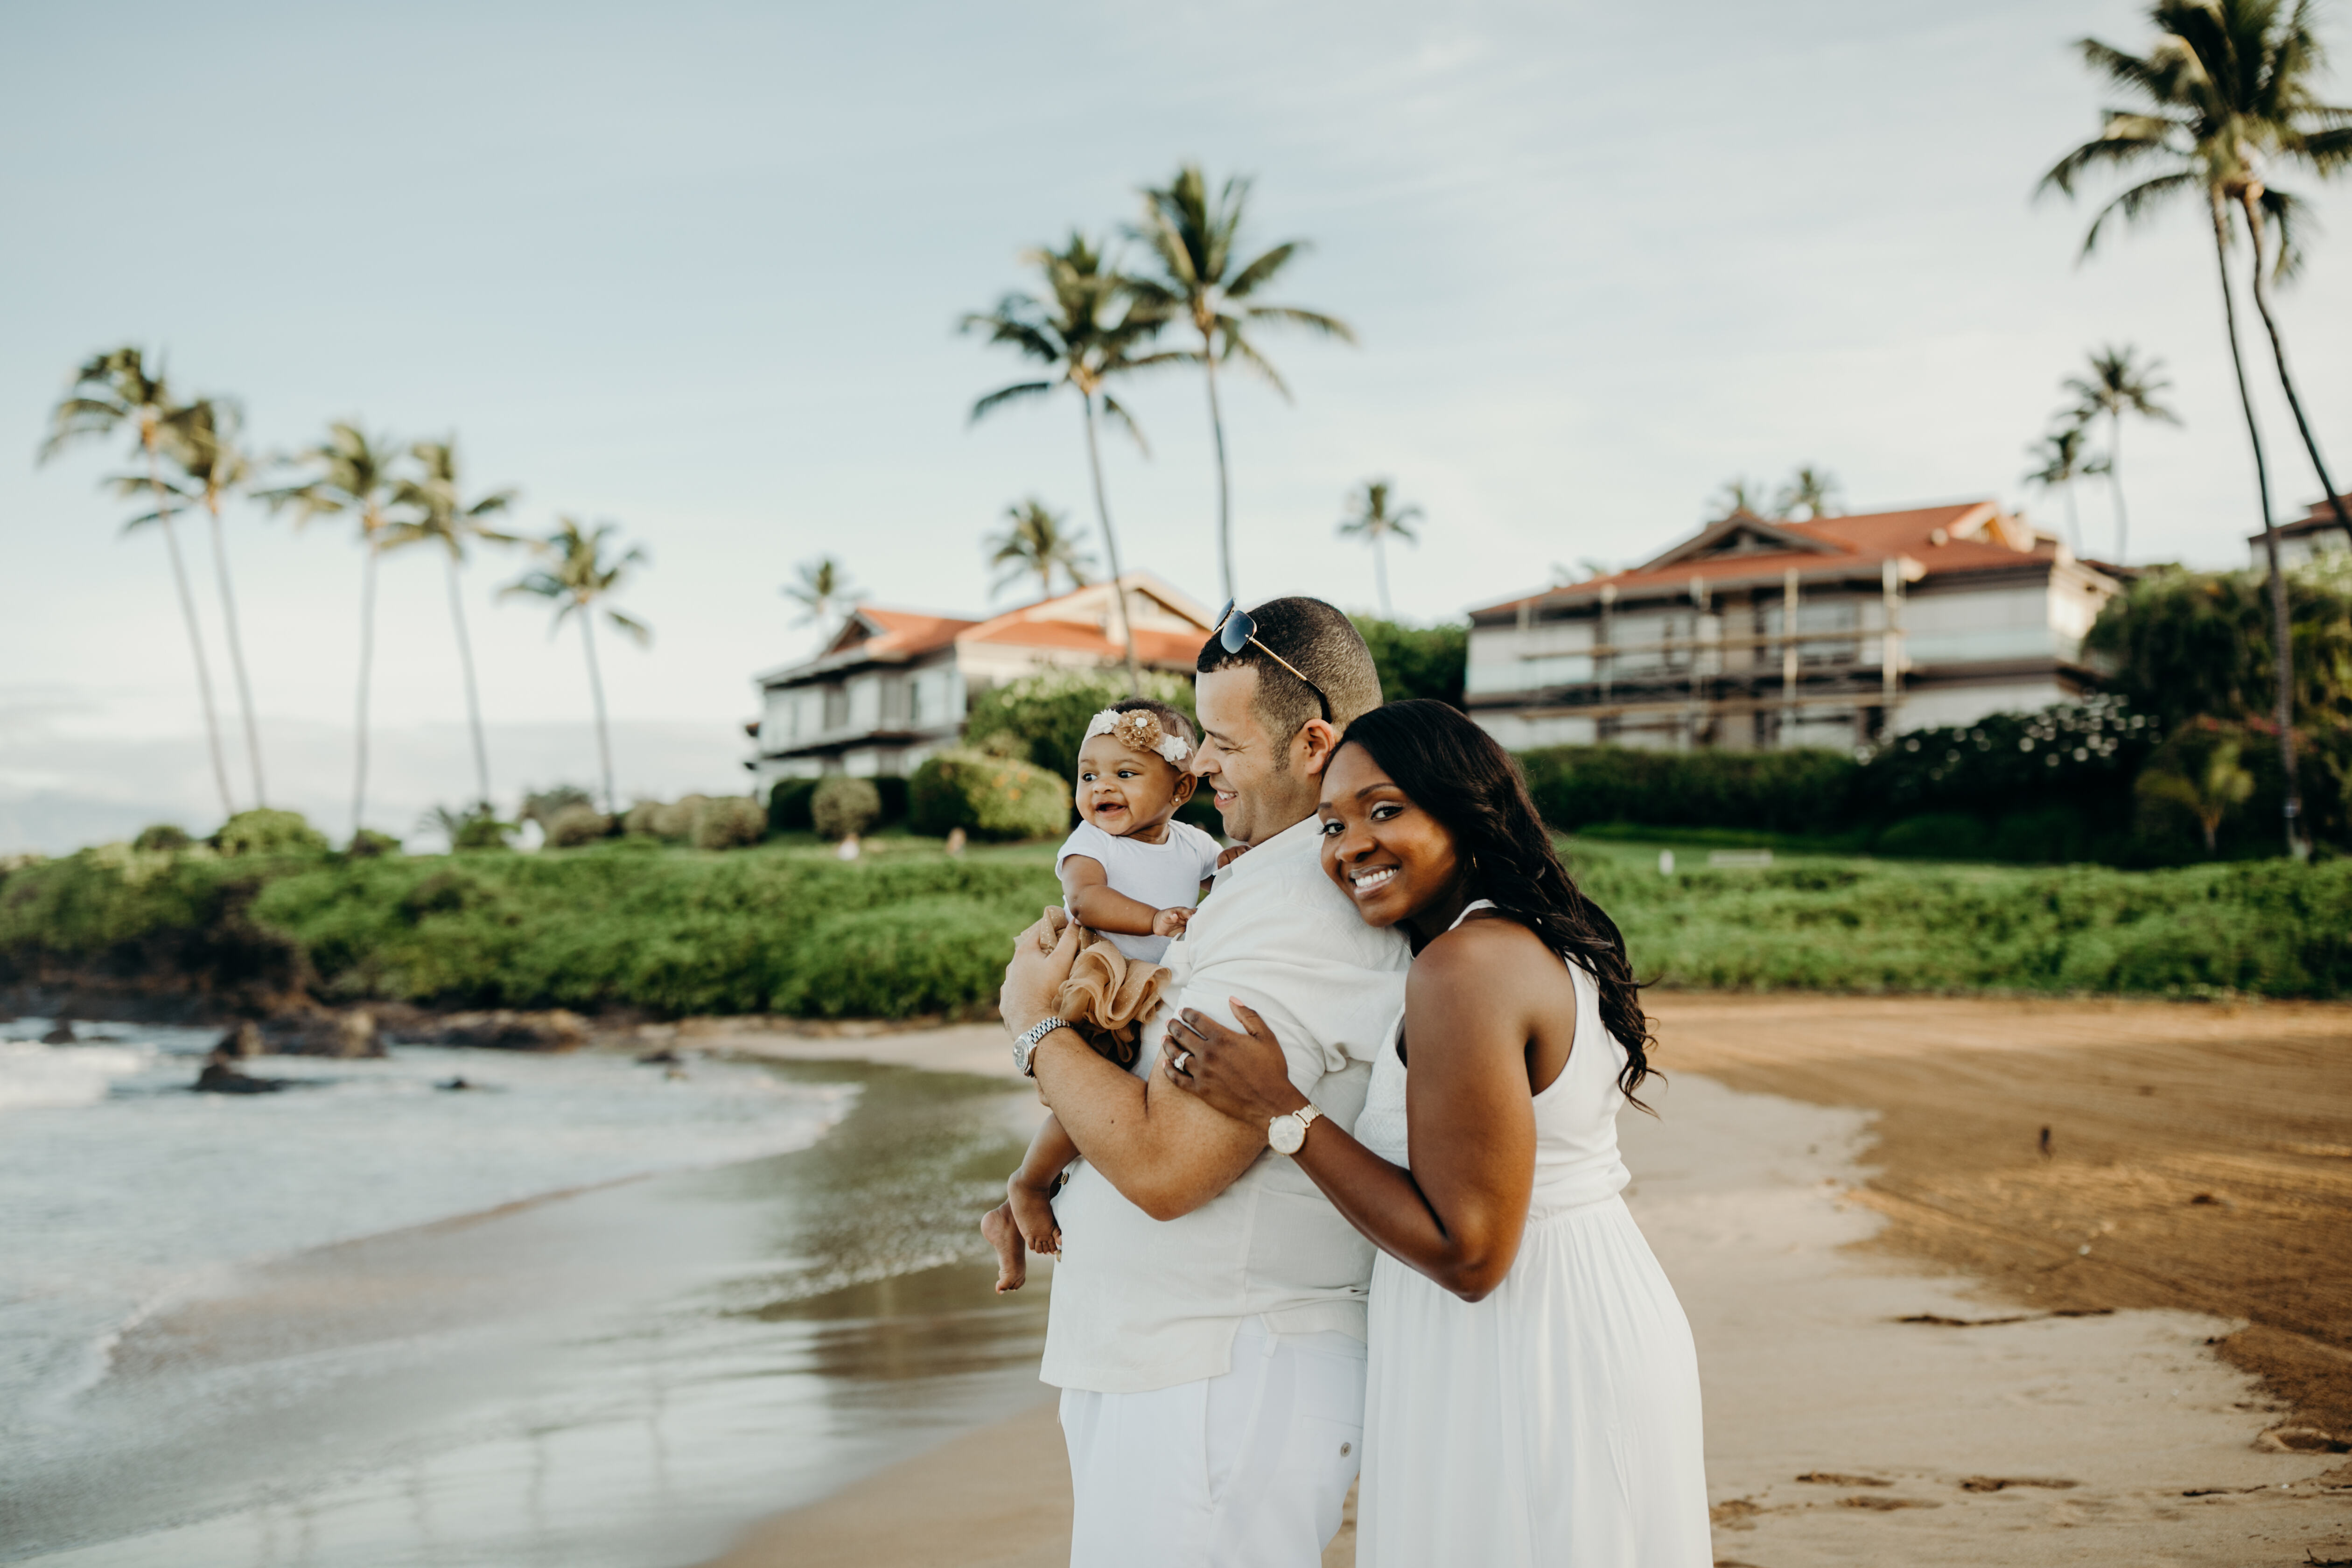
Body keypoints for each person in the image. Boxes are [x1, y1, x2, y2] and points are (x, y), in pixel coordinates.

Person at [1160, 699, 1712, 1567]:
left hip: (1525, 1343)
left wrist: (1279, 1110)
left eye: (1385, 810)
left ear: (1465, 810)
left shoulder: (1466, 967)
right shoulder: (1519, 940)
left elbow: (1471, 1254)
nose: (1351, 847)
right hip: (1572, 1309)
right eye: (1332, 826)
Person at [994, 598, 1409, 1568]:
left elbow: (1169, 1167)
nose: (1199, 766)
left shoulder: (1297, 912)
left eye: (1220, 742)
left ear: (1313, 743)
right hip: (1180, 1367)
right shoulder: (1250, 883)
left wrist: (1033, 1024)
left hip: (1221, 1375)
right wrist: (1042, 1175)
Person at [983, 698, 1222, 1291]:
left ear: (1180, 789)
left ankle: (1008, 1215)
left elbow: (1220, 879)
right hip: (1100, 977)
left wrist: (1238, 865)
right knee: (1093, 1089)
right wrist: (1154, 919)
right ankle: (1027, 1185)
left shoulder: (1194, 843)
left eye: (1125, 773)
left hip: (1147, 987)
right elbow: (1086, 901)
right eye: (1088, 775)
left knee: (1127, 1092)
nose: (1101, 788)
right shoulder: (1091, 844)